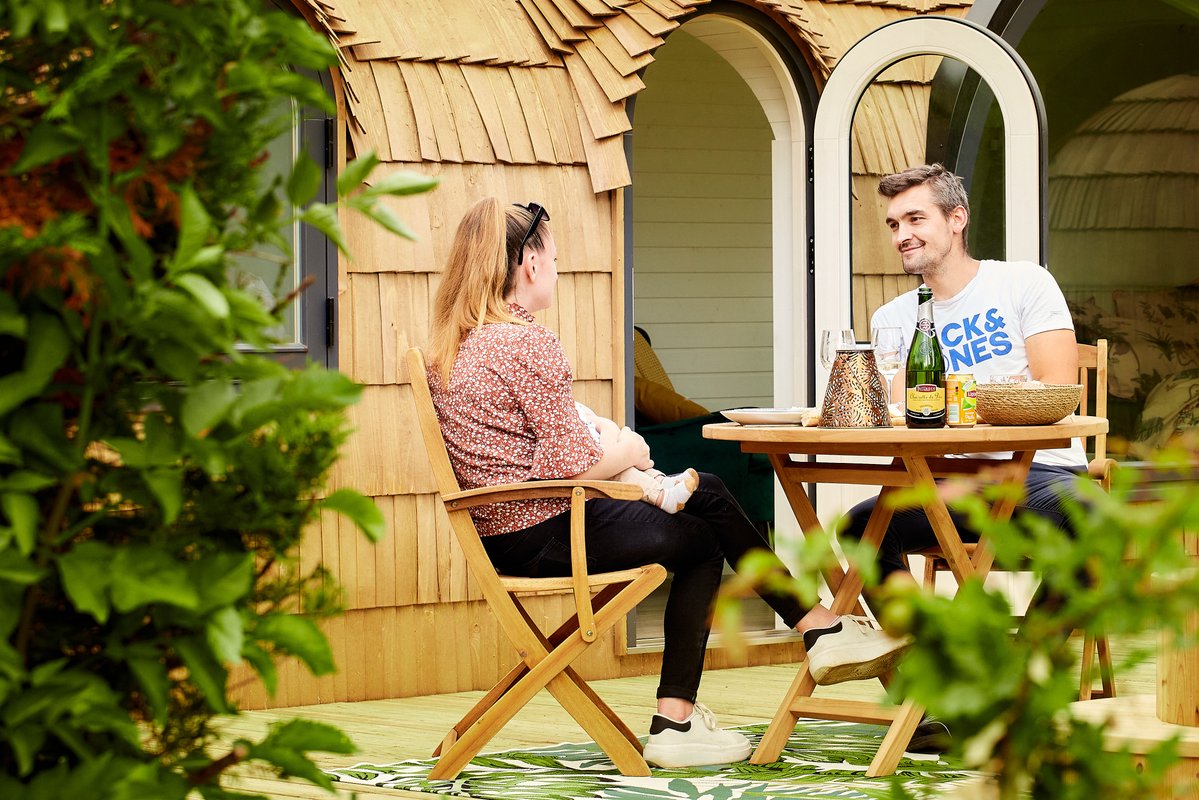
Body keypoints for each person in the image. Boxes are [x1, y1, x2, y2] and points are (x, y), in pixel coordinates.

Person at [425, 197, 911, 769]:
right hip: (549, 528)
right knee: (703, 522)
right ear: (530, 264)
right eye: (554, 256)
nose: (556, 268)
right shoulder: (525, 341)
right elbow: (569, 466)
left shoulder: (455, 346)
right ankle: (772, 654)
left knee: (701, 505)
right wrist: (629, 449)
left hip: (505, 532)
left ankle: (795, 640)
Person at [841, 162, 1088, 590]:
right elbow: (899, 414)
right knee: (860, 529)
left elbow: (1056, 388)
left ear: (957, 219)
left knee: (1092, 522)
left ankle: (1027, 652)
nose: (902, 235)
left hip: (1036, 474)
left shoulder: (1023, 283)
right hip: (944, 483)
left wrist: (968, 402)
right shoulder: (894, 318)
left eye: (916, 219)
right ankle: (927, 649)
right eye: (894, 224)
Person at [574, 401, 700, 513]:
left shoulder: (577, 407)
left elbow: (601, 422)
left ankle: (664, 482)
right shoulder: (560, 415)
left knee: (633, 465)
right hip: (594, 462)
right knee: (624, 474)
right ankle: (663, 498)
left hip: (605, 449)